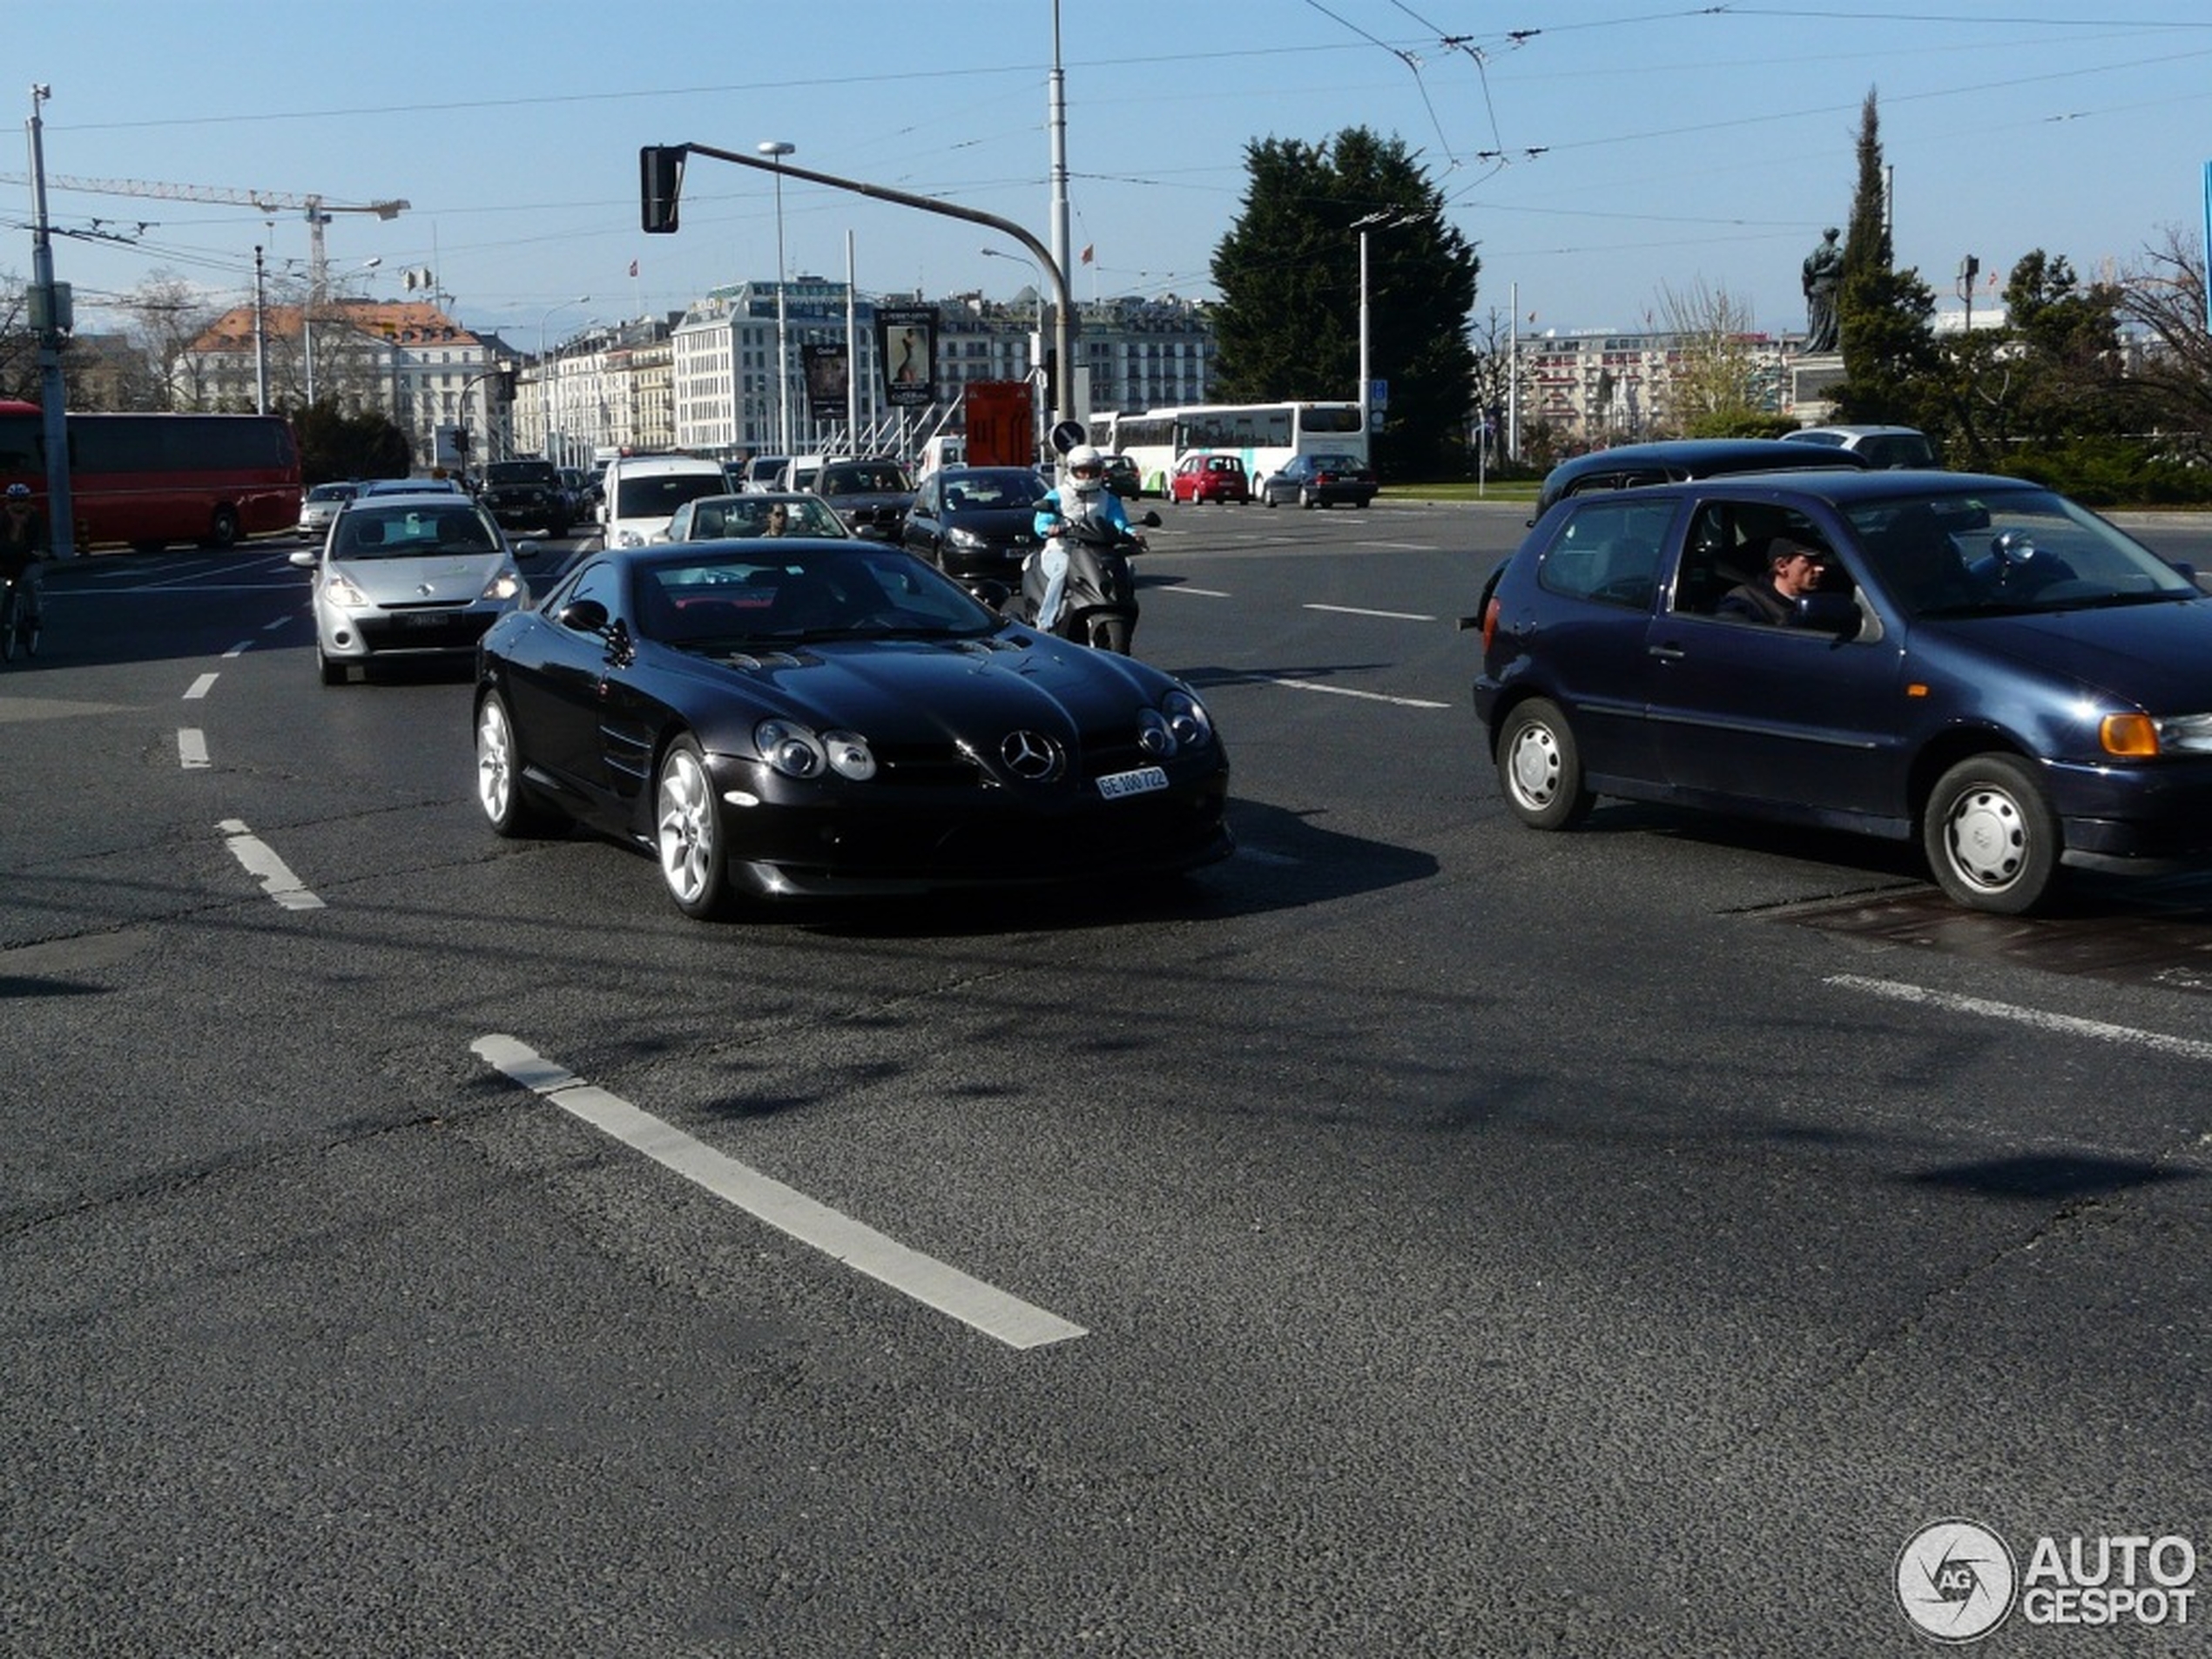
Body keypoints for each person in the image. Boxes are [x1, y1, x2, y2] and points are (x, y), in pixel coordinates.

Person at [1030, 445, 1131, 630]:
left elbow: (1119, 521)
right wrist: (1049, 528)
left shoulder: (1108, 498)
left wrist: (1133, 534)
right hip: (1061, 548)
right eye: (1082, 471)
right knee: (1061, 571)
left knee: (1128, 567)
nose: (1087, 476)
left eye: (1092, 471)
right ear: (1071, 470)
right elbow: (1040, 523)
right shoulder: (1057, 495)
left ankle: (1124, 610)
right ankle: (1046, 622)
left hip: (1096, 551)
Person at [1716, 535, 1826, 624]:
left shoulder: (1826, 596)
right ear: (1782, 566)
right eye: (1810, 561)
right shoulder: (1746, 602)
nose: (1821, 568)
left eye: (1821, 561)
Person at [1, 482, 49, 637]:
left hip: (29, 559)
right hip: (7, 560)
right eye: (14, 501)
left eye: (21, 500)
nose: (18, 504)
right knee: (3, 587)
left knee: (28, 583)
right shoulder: (2, 519)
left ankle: (34, 616)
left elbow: (42, 537)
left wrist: (42, 551)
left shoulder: (35, 517)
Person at [1802, 227, 1844, 354]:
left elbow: (1808, 267)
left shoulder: (1816, 252)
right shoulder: (1837, 251)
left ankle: (1818, 341)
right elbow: (1836, 267)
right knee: (1831, 317)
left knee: (1819, 317)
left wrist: (1814, 274)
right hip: (1829, 287)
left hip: (1817, 287)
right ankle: (1826, 342)